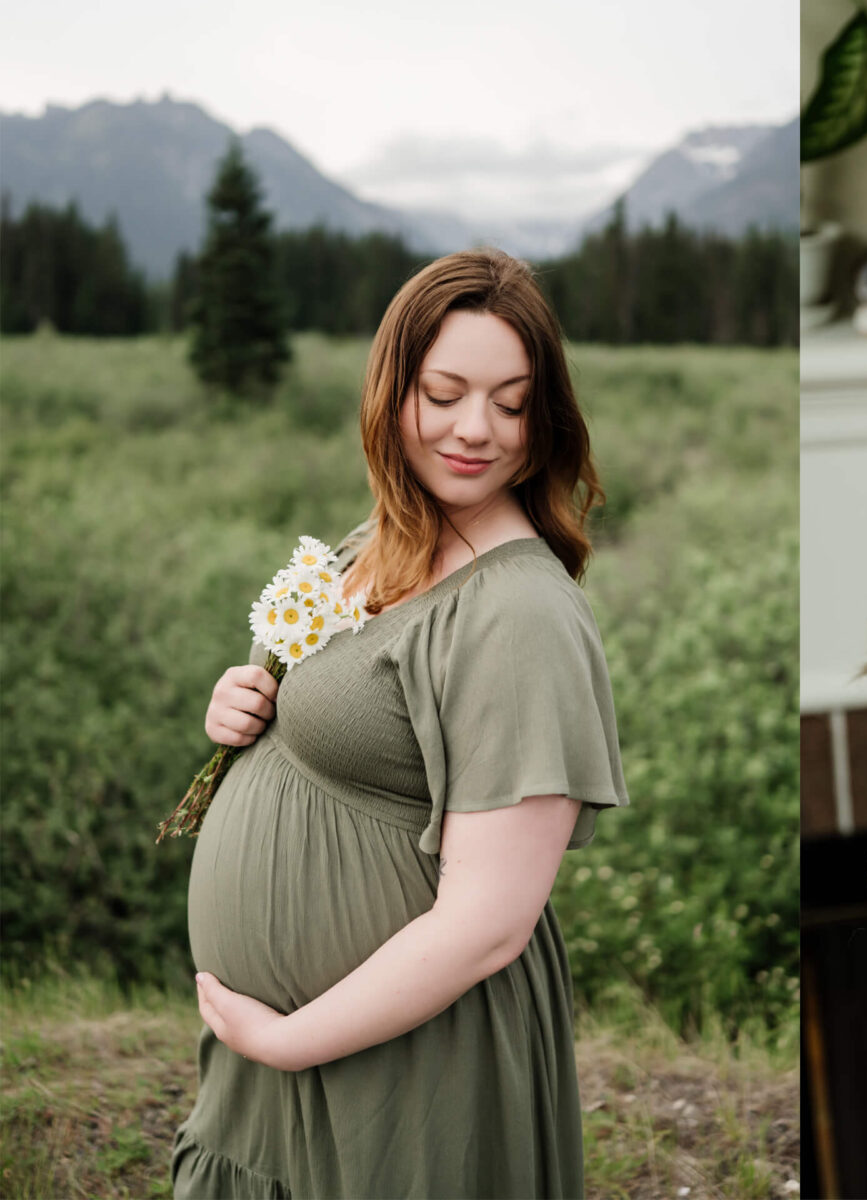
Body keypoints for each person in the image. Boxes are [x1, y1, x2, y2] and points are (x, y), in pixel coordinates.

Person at [170, 248, 629, 1199]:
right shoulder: (375, 540)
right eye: (445, 392)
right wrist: (246, 704)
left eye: (511, 402)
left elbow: (489, 925)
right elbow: (344, 713)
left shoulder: (521, 614)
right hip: (281, 1066)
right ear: (392, 391)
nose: (477, 430)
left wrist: (290, 1041)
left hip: (408, 1071)